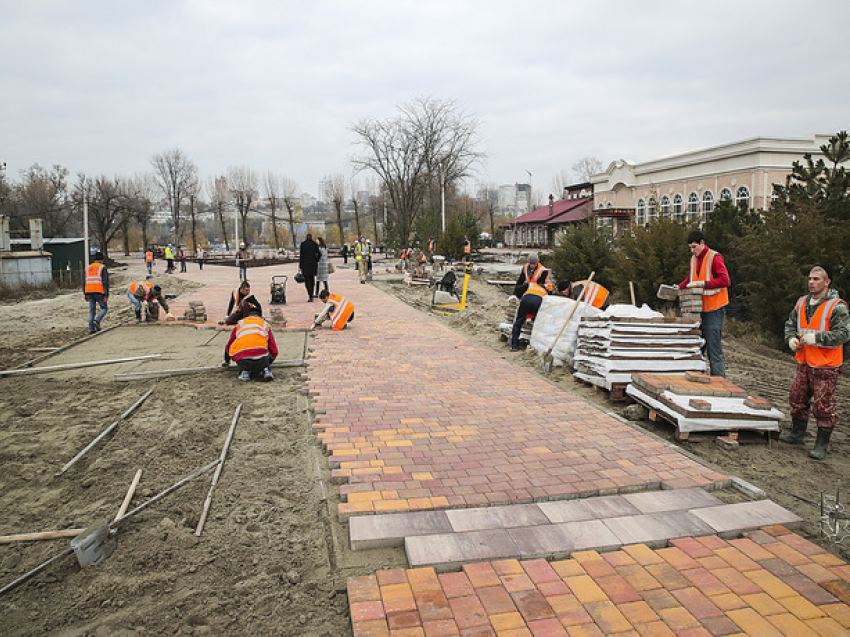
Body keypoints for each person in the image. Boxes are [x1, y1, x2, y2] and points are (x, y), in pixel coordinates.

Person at [780, 265, 849, 459]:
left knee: (823, 406)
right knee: (797, 398)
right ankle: (797, 434)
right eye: (810, 278)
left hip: (826, 365)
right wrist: (790, 339)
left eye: (816, 279)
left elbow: (843, 334)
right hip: (804, 361)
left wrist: (818, 338)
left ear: (827, 282)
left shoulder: (837, 307)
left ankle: (821, 444)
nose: (811, 282)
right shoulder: (802, 302)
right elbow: (790, 324)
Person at [676, 230, 730, 377]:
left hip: (714, 307)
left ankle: (719, 382)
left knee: (714, 348)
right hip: (698, 309)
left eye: (694, 247)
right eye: (690, 248)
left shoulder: (715, 257)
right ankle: (697, 379)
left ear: (702, 243)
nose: (692, 250)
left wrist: (704, 284)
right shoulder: (694, 259)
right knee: (697, 347)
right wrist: (679, 286)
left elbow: (725, 280)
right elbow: (690, 278)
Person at [224, 300, 277, 381]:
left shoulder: (240, 324)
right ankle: (265, 369)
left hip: (243, 360)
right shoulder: (264, 324)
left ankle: (244, 372)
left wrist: (227, 360)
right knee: (264, 348)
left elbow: (228, 346)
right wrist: (269, 361)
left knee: (237, 348)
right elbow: (274, 350)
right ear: (259, 316)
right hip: (262, 360)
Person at [510, 280, 548, 351]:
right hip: (538, 302)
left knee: (518, 322)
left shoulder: (532, 285)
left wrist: (519, 297)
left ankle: (514, 345)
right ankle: (534, 344)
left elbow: (519, 288)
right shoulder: (544, 292)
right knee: (537, 322)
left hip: (526, 299)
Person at [84, 251, 109, 334]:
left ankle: (91, 329)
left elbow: (84, 281)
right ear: (101, 260)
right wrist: (106, 295)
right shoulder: (102, 267)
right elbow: (105, 282)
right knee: (104, 308)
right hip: (99, 291)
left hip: (89, 291)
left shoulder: (88, 268)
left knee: (92, 310)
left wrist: (85, 293)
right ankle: (97, 320)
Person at [299, 233, 321, 302]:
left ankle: (310, 295)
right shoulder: (314, 244)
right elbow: (319, 254)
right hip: (313, 265)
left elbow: (301, 256)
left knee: (307, 281)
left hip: (305, 266)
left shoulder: (303, 244)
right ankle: (312, 293)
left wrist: (300, 266)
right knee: (312, 280)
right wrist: (316, 260)